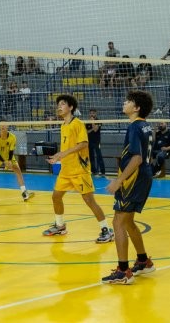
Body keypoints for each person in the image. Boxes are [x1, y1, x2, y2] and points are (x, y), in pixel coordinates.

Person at [44, 94, 114, 243]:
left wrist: (63, 154)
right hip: (66, 171)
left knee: (89, 200)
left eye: (62, 104)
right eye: (58, 104)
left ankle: (106, 230)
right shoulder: (63, 125)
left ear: (71, 107)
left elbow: (83, 144)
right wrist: (57, 157)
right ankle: (60, 225)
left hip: (79, 171)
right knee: (56, 197)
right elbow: (67, 148)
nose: (59, 107)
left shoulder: (78, 124)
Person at [102, 90, 156, 285]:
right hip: (143, 177)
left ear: (137, 107)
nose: (124, 103)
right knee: (128, 222)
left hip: (134, 178)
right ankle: (143, 261)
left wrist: (119, 181)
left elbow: (137, 158)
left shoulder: (134, 127)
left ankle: (123, 271)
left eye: (128, 101)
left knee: (118, 222)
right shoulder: (145, 126)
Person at [0, 121, 34, 202]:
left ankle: (24, 193)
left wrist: (8, 161)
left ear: (8, 125)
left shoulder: (12, 137)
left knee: (18, 170)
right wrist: (4, 161)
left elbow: (11, 151)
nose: (3, 126)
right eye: (1, 124)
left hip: (9, 156)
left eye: (5, 124)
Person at [86, 109, 105, 177]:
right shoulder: (87, 122)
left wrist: (93, 122)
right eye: (90, 113)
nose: (92, 114)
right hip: (89, 141)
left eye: (93, 113)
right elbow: (86, 132)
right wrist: (91, 129)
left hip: (97, 142)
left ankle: (102, 172)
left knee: (99, 156)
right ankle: (94, 171)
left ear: (95, 114)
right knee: (91, 157)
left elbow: (95, 129)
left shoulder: (98, 121)